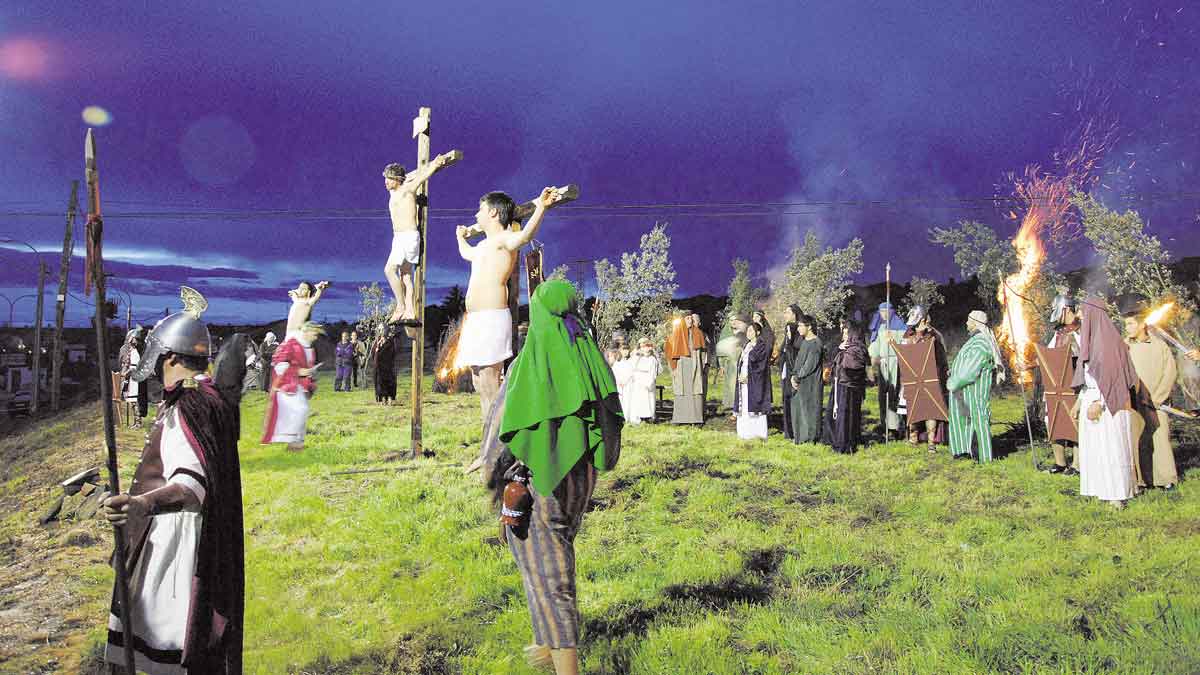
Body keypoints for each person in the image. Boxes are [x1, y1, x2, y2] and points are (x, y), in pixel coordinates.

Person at [479, 279, 623, 675]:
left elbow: (501, 423)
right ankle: (545, 643)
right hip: (581, 479)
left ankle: (566, 666)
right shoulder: (591, 356)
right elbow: (611, 420)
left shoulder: (532, 359)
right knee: (544, 558)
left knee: (550, 571)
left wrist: (488, 469)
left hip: (539, 482)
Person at [102, 287, 243, 674]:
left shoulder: (188, 407)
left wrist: (140, 504)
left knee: (169, 646)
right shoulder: (211, 399)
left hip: (179, 544)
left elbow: (191, 486)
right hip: (206, 538)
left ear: (167, 358)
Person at [454, 188, 562, 428]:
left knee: (491, 383)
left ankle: (500, 448)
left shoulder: (504, 238)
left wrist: (542, 207)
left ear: (493, 212)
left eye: (480, 210)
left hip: (492, 318)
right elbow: (466, 253)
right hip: (475, 319)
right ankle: (488, 442)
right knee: (477, 381)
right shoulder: (483, 245)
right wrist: (461, 236)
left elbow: (523, 237)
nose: (476, 215)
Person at [1074, 297, 1139, 508]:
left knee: (1111, 448)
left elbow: (1111, 377)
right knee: (1097, 449)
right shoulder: (1094, 340)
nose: (1080, 317)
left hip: (1107, 404)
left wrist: (1098, 403)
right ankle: (1102, 489)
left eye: (1083, 313)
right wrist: (1080, 401)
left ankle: (1116, 495)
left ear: (1093, 314)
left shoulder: (1106, 342)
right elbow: (1088, 375)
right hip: (1093, 397)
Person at [382, 155, 454, 326]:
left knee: (389, 270)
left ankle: (400, 306)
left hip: (407, 236)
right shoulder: (394, 192)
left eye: (388, 178)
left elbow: (422, 176)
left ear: (397, 180)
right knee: (405, 275)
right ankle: (410, 311)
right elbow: (414, 173)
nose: (385, 181)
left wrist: (435, 164)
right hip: (398, 237)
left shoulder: (407, 189)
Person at [1124, 307, 1178, 490]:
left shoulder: (1159, 346)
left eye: (1130, 324)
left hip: (1158, 403)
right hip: (1134, 403)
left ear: (1142, 324)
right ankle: (1142, 481)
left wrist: (1159, 397)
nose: (1127, 328)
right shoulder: (1125, 346)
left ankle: (1166, 480)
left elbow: (1170, 373)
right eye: (1126, 324)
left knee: (1160, 439)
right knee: (1138, 441)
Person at [947, 310, 1004, 462]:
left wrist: (953, 382)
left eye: (968, 320)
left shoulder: (980, 342)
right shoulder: (976, 340)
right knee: (963, 420)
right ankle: (963, 451)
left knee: (978, 419)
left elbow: (970, 370)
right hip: (965, 391)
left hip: (973, 389)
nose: (966, 323)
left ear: (975, 322)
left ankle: (981, 455)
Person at [261, 321, 323, 452]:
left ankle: (297, 444)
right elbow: (278, 363)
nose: (316, 337)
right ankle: (293, 443)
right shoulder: (292, 344)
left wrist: (310, 379)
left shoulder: (310, 349)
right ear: (306, 331)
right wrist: (298, 371)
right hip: (288, 385)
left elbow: (307, 369)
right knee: (300, 410)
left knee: (303, 411)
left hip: (301, 386)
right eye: (314, 333)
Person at [900, 305, 949, 454]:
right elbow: (904, 353)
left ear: (922, 319)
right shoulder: (908, 334)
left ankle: (931, 442)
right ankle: (913, 437)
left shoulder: (933, 335)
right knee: (913, 409)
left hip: (929, 377)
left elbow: (940, 358)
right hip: (912, 377)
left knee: (930, 411)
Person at [1045, 294, 1081, 475]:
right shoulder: (1059, 333)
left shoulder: (1080, 329)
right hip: (1057, 384)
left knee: (1076, 422)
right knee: (1053, 419)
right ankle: (1060, 463)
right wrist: (1031, 363)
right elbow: (1050, 354)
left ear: (1065, 308)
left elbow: (1084, 356)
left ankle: (1077, 464)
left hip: (1075, 383)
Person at [823, 320, 869, 453]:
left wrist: (844, 353)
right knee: (837, 414)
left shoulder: (856, 349)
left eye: (846, 332)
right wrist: (840, 349)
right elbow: (833, 360)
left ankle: (843, 444)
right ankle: (835, 439)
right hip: (841, 384)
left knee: (845, 416)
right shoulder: (846, 347)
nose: (843, 334)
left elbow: (852, 367)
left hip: (848, 387)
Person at [868, 301, 906, 438]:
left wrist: (893, 340)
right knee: (882, 396)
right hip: (883, 364)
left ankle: (894, 427)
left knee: (893, 395)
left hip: (894, 363)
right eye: (881, 312)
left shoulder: (900, 327)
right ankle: (884, 424)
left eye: (886, 311)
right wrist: (872, 366)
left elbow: (903, 347)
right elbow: (875, 347)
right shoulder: (881, 327)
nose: (883, 314)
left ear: (891, 311)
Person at [665, 314, 707, 424]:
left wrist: (701, 366)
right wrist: (673, 369)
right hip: (681, 366)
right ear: (683, 320)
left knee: (695, 391)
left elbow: (703, 352)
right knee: (682, 391)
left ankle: (696, 419)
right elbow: (669, 353)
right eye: (687, 318)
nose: (690, 320)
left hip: (695, 365)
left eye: (691, 318)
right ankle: (680, 418)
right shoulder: (675, 335)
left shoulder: (698, 333)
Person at [789, 312, 824, 444]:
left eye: (800, 326)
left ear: (809, 327)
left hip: (811, 382)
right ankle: (800, 437)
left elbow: (810, 365)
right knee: (800, 409)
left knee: (810, 409)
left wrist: (797, 377)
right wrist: (793, 376)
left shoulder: (816, 343)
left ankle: (810, 438)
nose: (798, 329)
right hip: (800, 381)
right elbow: (799, 361)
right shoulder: (805, 342)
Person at [735, 321, 771, 440]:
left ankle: (758, 433)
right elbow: (743, 362)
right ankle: (745, 433)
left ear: (758, 332)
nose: (748, 333)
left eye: (751, 330)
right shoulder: (747, 345)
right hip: (743, 380)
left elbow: (761, 366)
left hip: (755, 382)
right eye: (748, 330)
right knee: (744, 405)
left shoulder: (761, 346)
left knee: (754, 404)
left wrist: (749, 377)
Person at [716, 313, 749, 413]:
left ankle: (740, 403)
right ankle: (729, 404)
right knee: (729, 384)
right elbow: (721, 351)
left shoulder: (743, 330)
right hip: (729, 363)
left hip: (741, 361)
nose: (733, 322)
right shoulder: (726, 332)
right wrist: (721, 366)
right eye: (731, 320)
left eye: (735, 320)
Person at [779, 305, 803, 439]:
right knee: (786, 400)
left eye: (787, 312)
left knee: (793, 401)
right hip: (785, 371)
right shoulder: (788, 329)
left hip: (793, 372)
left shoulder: (798, 332)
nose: (785, 314)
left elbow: (794, 353)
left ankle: (794, 431)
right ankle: (788, 431)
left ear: (795, 314)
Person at [626, 337, 660, 424]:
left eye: (646, 346)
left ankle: (649, 416)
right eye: (642, 347)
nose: (644, 349)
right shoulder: (636, 357)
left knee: (649, 399)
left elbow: (654, 371)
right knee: (639, 399)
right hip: (638, 380)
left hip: (648, 380)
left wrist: (650, 381)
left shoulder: (652, 359)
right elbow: (631, 368)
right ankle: (639, 416)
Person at [372, 325, 398, 405]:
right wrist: (377, 348)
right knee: (379, 383)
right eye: (380, 330)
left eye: (383, 330)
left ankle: (389, 398)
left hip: (388, 366)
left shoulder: (391, 341)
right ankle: (382, 398)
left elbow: (391, 353)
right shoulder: (377, 341)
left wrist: (379, 350)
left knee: (389, 383)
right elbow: (373, 354)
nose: (382, 332)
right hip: (379, 367)